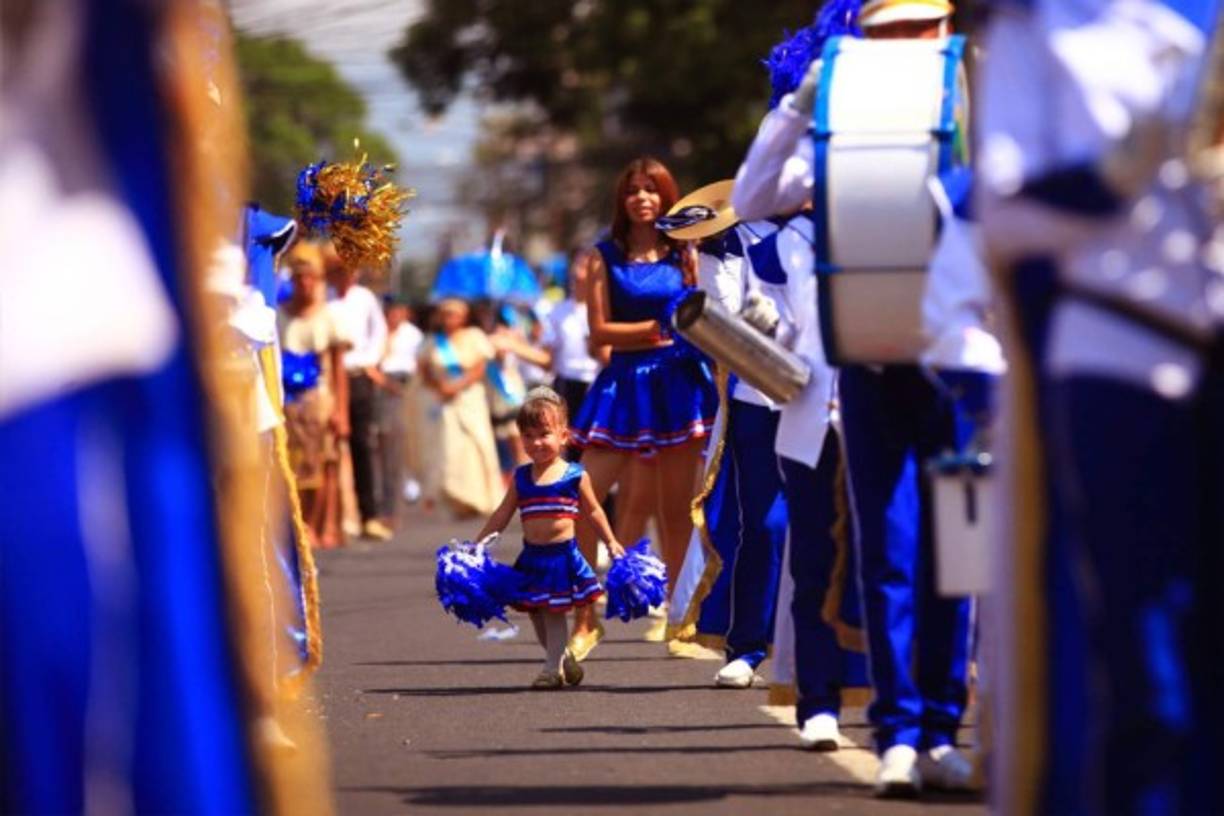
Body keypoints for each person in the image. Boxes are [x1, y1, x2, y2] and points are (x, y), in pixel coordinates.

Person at [977, 2, 1222, 812]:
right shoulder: (1042, 29)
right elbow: (1002, 218)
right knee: (1145, 662)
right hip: (1117, 356)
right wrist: (1113, 173)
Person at [733, 0, 975, 797]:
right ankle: (900, 733)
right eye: (887, 33)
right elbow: (752, 196)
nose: (907, 45)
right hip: (866, 366)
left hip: (963, 367)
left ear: (942, 35)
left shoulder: (972, 107)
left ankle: (943, 729)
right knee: (891, 550)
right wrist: (801, 106)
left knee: (960, 556)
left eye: (920, 30)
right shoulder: (835, 142)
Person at [566, 157, 719, 661]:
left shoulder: (687, 251)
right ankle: (585, 617)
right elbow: (599, 331)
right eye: (633, 190)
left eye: (652, 190)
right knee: (583, 497)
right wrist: (659, 330)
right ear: (622, 200)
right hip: (624, 384)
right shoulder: (603, 256)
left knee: (678, 511)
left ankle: (681, 622)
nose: (642, 198)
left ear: (667, 196)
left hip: (679, 384)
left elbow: (704, 312)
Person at [474, 388, 627, 688]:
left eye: (544, 434)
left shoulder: (574, 475)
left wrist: (610, 541)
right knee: (536, 614)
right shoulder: (521, 478)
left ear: (563, 436)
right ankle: (563, 657)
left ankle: (550, 670)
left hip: (562, 557)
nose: (536, 442)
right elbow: (502, 514)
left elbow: (594, 511)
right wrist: (479, 544)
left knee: (553, 612)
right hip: (532, 557)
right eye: (528, 436)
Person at [279, 242, 352, 549]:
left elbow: (338, 369)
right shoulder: (278, 315)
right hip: (287, 402)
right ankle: (297, 525)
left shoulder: (329, 317)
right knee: (291, 466)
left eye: (311, 278)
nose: (305, 284)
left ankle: (320, 525)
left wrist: (341, 412)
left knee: (323, 466)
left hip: (320, 399)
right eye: (299, 278)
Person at [324, 243, 392, 541]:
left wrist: (369, 363)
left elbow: (379, 334)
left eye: (349, 270)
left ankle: (370, 515)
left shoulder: (364, 299)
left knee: (362, 444)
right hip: (325, 378)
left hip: (357, 376)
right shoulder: (322, 298)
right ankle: (334, 516)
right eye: (339, 270)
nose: (345, 276)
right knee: (329, 445)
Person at [418, 298, 503, 517]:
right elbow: (424, 370)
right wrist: (440, 386)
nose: (449, 319)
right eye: (445, 314)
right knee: (449, 446)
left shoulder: (474, 337)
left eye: (454, 314)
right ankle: (456, 497)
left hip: (469, 397)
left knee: (477, 443)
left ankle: (481, 497)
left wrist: (458, 385)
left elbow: (480, 368)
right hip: (444, 399)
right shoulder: (432, 342)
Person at [379, 298, 424, 524]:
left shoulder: (412, 335)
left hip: (405, 386)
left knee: (404, 440)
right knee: (386, 443)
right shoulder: (378, 331)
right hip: (383, 385)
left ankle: (407, 486)